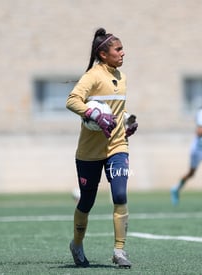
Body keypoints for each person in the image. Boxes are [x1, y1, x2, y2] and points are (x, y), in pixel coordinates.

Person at [66, 27, 138, 268]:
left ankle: (119, 251)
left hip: (117, 146)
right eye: (118, 49)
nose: (123, 53)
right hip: (89, 152)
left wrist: (127, 120)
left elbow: (116, 110)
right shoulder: (92, 76)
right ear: (103, 54)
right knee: (87, 202)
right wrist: (93, 113)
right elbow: (72, 100)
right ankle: (77, 244)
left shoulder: (122, 77)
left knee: (120, 195)